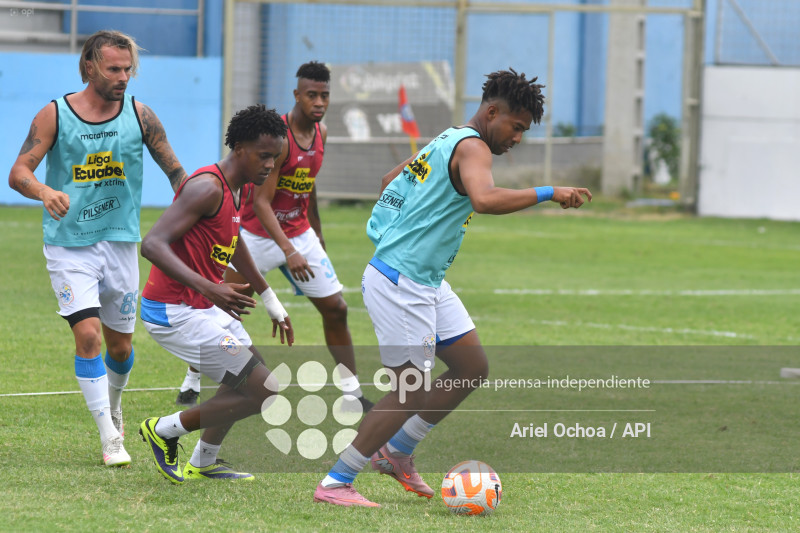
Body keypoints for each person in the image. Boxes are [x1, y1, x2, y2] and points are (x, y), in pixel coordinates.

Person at [313, 68, 592, 507]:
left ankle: (396, 451)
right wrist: (549, 191)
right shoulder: (474, 147)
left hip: (425, 281)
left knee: (471, 367)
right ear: (492, 111)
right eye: (516, 127)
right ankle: (335, 482)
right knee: (410, 391)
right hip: (401, 283)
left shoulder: (449, 138)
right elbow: (484, 199)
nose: (517, 137)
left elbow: (390, 181)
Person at [7, 30, 187, 467]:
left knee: (121, 348)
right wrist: (45, 191)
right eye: (114, 69)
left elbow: (176, 172)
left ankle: (115, 404)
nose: (124, 77)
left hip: (121, 245)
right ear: (89, 66)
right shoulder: (55, 114)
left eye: (128, 69)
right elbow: (18, 171)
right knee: (87, 336)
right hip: (69, 246)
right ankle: (109, 435)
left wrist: (198, 206)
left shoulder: (141, 116)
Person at [176, 61, 373, 412]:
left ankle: (352, 394)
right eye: (311, 95)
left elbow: (307, 190)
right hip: (257, 235)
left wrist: (317, 237)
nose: (319, 102)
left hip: (299, 234)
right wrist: (287, 249)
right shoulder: (277, 139)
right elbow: (262, 201)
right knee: (225, 308)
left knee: (336, 309)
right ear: (297, 95)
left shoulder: (322, 134)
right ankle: (191, 381)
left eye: (324, 95)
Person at [138, 104, 293, 484]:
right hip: (172, 311)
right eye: (264, 155)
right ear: (239, 148)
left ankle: (204, 461)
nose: (270, 164)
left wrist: (270, 298)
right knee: (263, 389)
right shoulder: (206, 187)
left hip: (202, 305)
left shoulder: (237, 187)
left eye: (275, 156)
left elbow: (233, 236)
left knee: (249, 381)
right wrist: (211, 286)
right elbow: (153, 244)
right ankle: (164, 429)